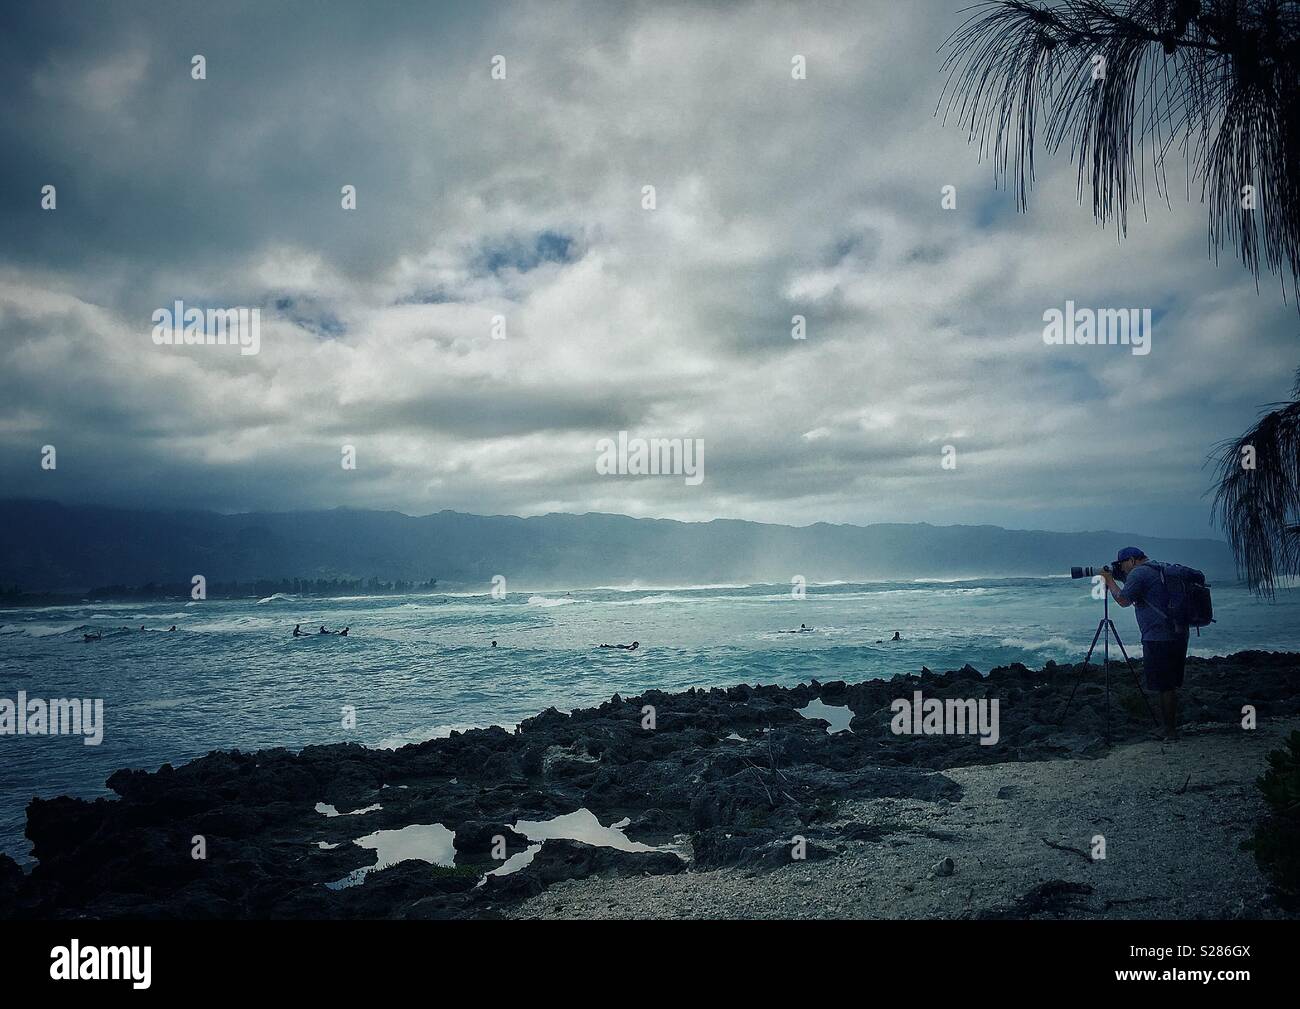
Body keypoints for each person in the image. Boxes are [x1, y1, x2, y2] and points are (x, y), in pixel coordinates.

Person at [1098, 546, 1189, 741]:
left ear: (1131, 560)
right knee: (1169, 684)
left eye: (1122, 564)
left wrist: (1109, 580)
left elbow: (1123, 600)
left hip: (1158, 636)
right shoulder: (1157, 569)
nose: (1122, 568)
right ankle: (1168, 727)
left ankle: (1170, 732)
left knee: (1164, 686)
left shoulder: (1139, 573)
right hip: (1177, 633)